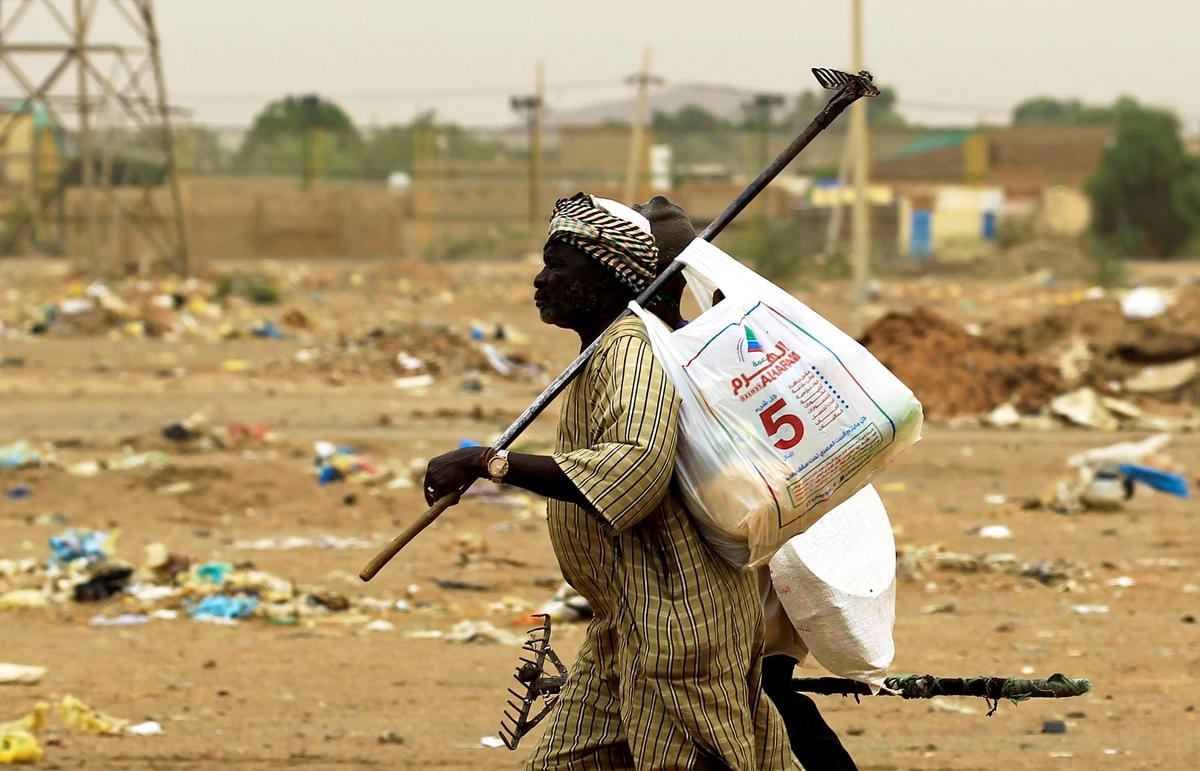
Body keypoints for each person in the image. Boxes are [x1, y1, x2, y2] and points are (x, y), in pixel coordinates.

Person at [423, 192, 797, 770]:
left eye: (557, 265)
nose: (539, 281)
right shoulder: (604, 351)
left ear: (604, 276)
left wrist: (489, 463)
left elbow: (634, 469)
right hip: (627, 619)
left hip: (677, 620)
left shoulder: (631, 353)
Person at [632, 195, 859, 771]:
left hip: (741, 573)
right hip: (751, 567)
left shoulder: (693, 358)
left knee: (768, 703)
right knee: (764, 706)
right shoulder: (698, 342)